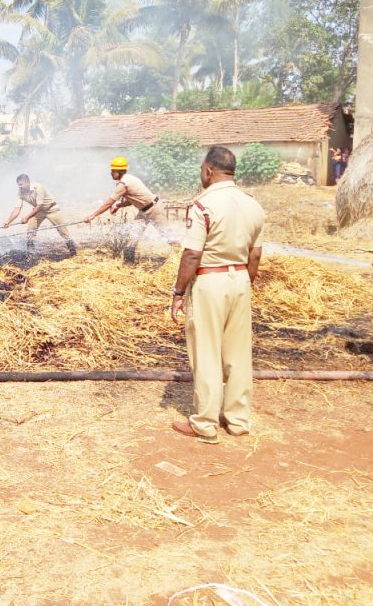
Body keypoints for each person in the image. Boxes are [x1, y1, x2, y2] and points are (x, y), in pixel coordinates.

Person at [169, 146, 265, 444]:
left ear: (209, 170)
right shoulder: (253, 205)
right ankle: (238, 420)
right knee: (238, 354)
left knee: (207, 352)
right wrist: (244, 284)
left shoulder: (203, 205)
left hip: (210, 281)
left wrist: (178, 292)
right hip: (241, 280)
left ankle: (205, 423)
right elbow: (255, 255)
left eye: (202, 170)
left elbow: (191, 254)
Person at [84, 156, 159, 263]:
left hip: (155, 209)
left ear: (118, 172)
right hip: (143, 211)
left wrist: (93, 216)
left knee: (167, 233)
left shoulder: (123, 184)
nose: (111, 173)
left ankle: (177, 258)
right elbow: (133, 199)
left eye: (113, 171)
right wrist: (119, 206)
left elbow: (109, 203)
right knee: (133, 237)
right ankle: (128, 265)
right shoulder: (129, 178)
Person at [3, 174, 76, 256]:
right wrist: (8, 221)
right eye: (18, 185)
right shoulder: (20, 193)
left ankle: (73, 253)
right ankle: (31, 254)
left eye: (21, 184)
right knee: (30, 232)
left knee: (64, 232)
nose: (19, 187)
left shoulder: (38, 187)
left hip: (51, 209)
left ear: (27, 182)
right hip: (38, 212)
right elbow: (17, 209)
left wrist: (27, 217)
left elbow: (39, 206)